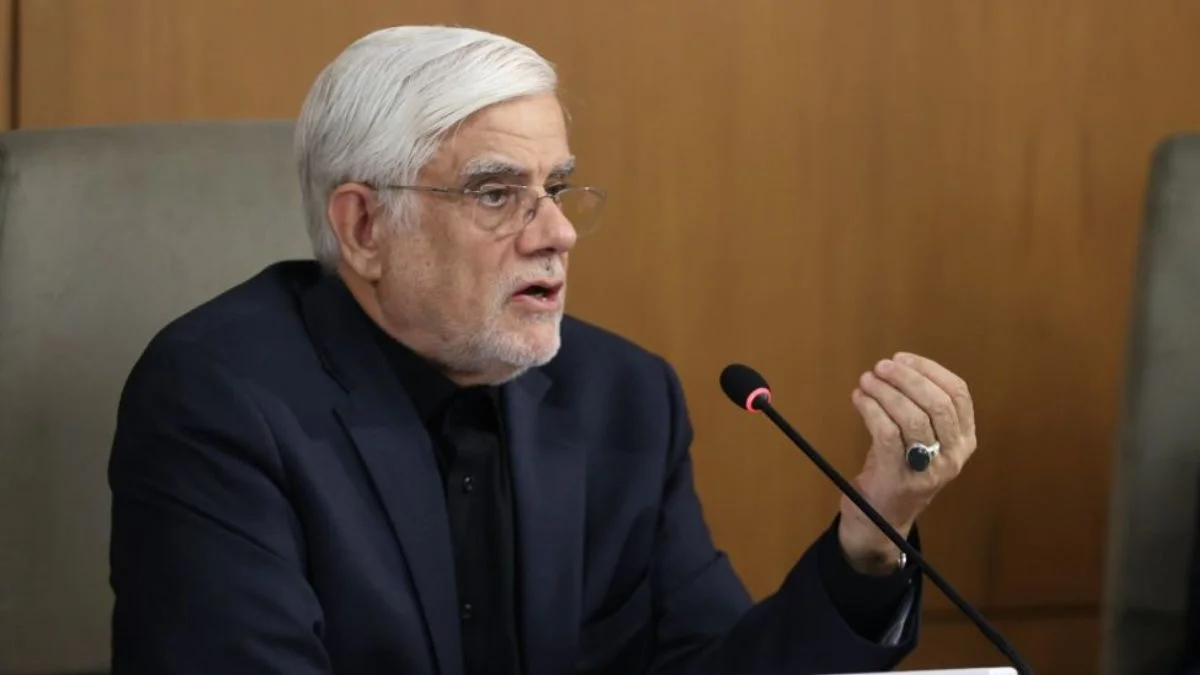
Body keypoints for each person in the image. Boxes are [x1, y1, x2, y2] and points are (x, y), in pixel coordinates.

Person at [107, 25, 980, 675]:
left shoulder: (622, 396)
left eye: (556, 188)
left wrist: (869, 543)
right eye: (497, 194)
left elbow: (708, 663)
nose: (556, 231)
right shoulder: (219, 400)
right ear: (365, 227)